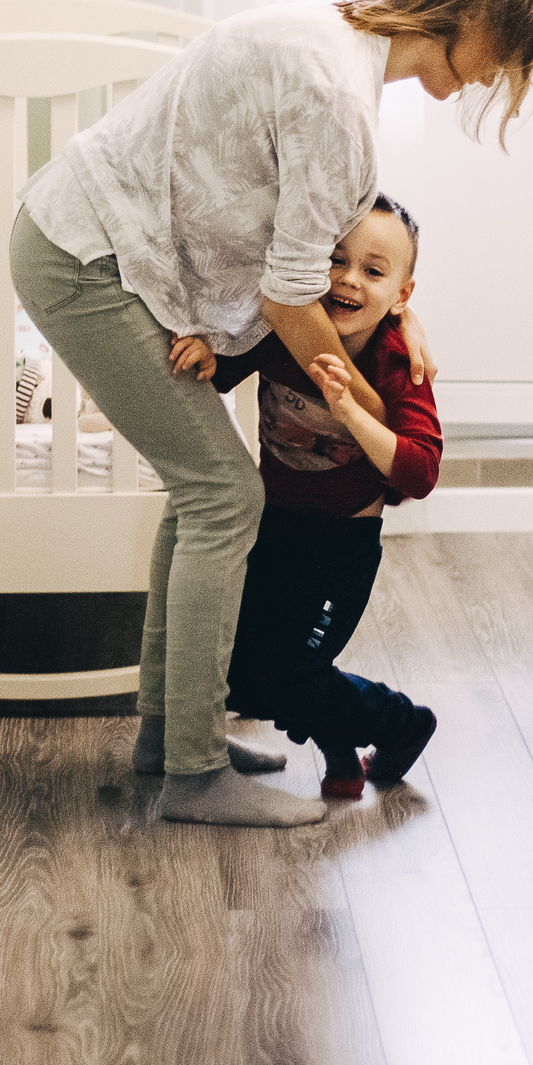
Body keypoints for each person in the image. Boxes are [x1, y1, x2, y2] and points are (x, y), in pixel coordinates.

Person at [11, 0, 533, 827]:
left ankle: (169, 736)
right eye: (504, 60)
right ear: (473, 20)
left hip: (85, 237)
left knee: (200, 494)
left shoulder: (330, 37)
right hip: (87, 257)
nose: (492, 82)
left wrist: (402, 317)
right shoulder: (342, 102)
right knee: (226, 494)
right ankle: (193, 771)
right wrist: (373, 403)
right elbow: (291, 294)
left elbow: (324, 253)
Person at [169, 196, 442, 799]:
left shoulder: (399, 360)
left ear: (402, 294)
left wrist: (349, 408)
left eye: (373, 271)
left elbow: (421, 472)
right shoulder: (288, 331)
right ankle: (339, 743)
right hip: (275, 527)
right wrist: (208, 353)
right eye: (336, 260)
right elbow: (223, 369)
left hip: (341, 547)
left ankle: (402, 722)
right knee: (244, 669)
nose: (348, 279)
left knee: (291, 670)